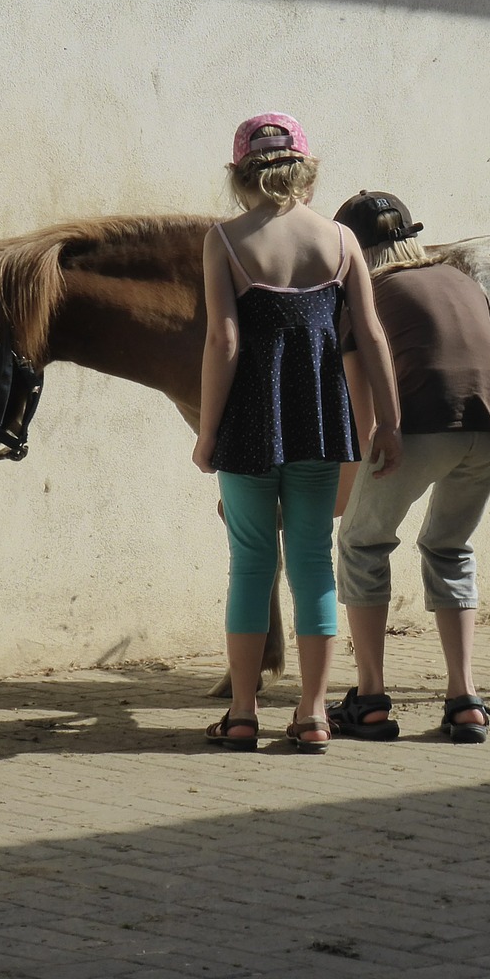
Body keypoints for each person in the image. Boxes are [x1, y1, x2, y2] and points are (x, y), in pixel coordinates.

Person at [193, 117, 401, 753]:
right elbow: (369, 333)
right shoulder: (340, 241)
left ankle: (244, 712)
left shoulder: (224, 241)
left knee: (250, 565)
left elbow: (223, 341)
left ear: (239, 174)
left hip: (249, 424)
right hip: (319, 420)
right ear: (306, 171)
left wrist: (207, 435)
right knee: (313, 563)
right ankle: (312, 714)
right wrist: (387, 423)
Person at [328, 191, 490, 744]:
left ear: (354, 252)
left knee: (362, 544)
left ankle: (368, 700)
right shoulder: (461, 279)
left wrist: (347, 492)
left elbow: (364, 422)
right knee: (448, 546)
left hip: (422, 418)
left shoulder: (366, 296)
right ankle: (465, 701)